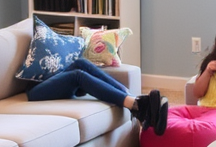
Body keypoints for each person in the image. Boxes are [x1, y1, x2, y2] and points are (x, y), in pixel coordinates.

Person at [24, 57, 168, 134]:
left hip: (49, 78)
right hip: (35, 91)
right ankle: (136, 105)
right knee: (78, 76)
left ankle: (137, 101)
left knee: (81, 63)